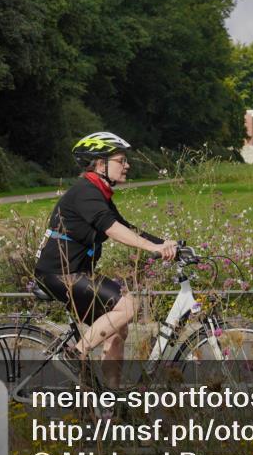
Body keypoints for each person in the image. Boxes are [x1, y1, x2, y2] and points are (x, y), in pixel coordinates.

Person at [33, 131, 178, 388]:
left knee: (117, 330)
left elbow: (126, 226)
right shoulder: (85, 192)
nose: (127, 165)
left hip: (75, 273)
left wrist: (165, 244)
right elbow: (111, 228)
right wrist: (152, 248)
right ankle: (74, 355)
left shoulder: (98, 193)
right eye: (121, 160)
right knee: (128, 307)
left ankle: (111, 397)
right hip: (60, 274)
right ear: (101, 165)